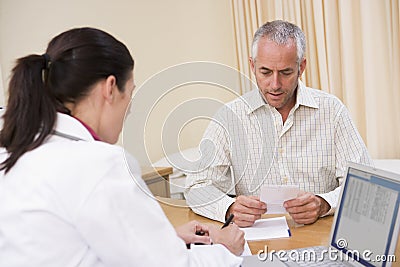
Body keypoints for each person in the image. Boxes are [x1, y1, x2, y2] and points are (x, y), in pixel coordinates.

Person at [0, 27, 244, 267]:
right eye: (130, 94)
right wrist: (226, 251)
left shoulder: (15, 149)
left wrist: (166, 239)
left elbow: (72, 243)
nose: (130, 110)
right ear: (110, 88)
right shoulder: (98, 163)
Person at [184, 20, 373, 227]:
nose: (275, 85)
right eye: (265, 72)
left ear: (301, 67)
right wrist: (228, 208)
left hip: (320, 236)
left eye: (285, 73)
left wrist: (324, 203)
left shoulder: (332, 111)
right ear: (252, 66)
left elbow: (365, 184)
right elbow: (197, 186)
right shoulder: (229, 117)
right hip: (257, 242)